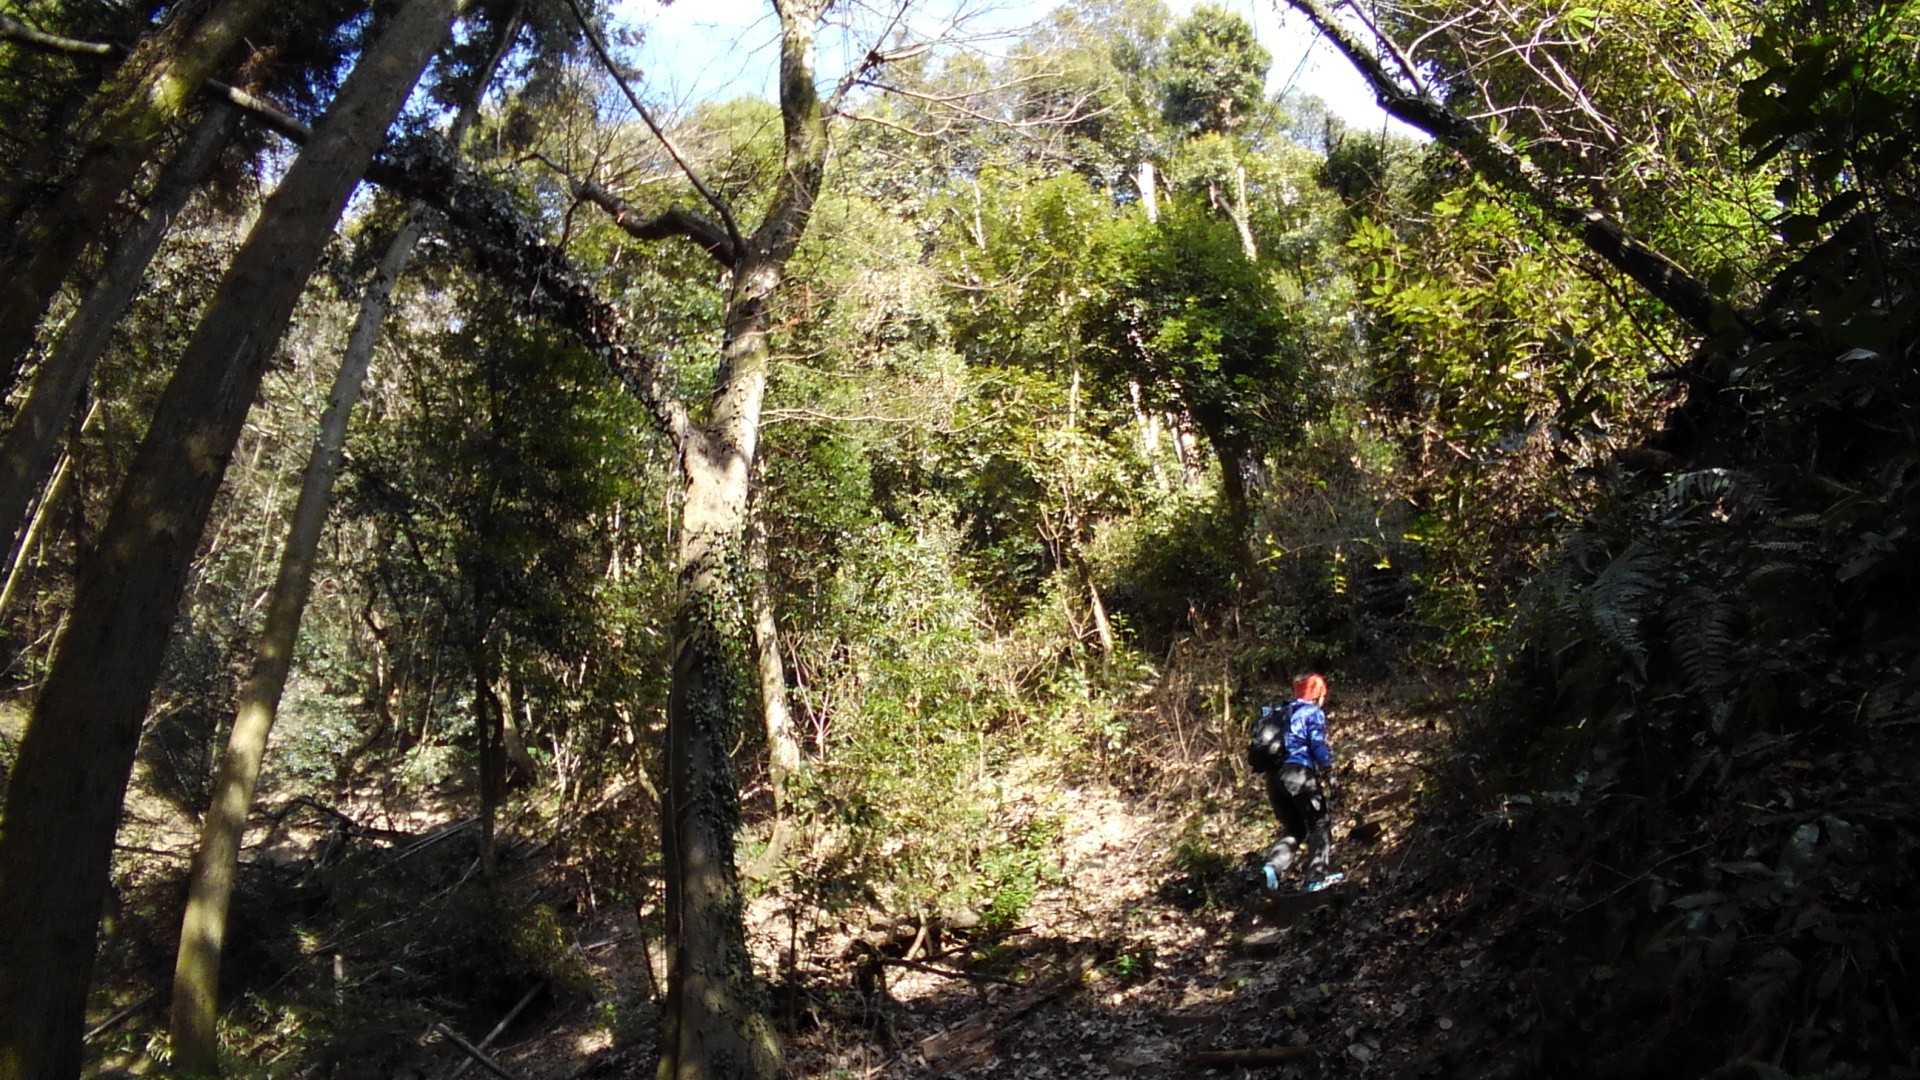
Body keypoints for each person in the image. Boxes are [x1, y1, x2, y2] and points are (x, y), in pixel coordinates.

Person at [1253, 673, 1339, 891]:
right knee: (1320, 823)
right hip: (1298, 774)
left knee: (1295, 829)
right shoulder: (1312, 712)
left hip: (1273, 779)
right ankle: (1316, 879)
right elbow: (1317, 744)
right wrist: (1329, 769)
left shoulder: (1280, 712)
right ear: (1319, 695)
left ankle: (1272, 868)